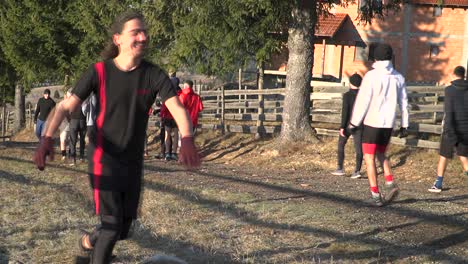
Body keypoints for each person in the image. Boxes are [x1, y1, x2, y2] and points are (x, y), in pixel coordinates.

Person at [33, 10, 200, 264]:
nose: (143, 37)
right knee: (111, 226)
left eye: (145, 32)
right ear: (118, 39)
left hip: (132, 162)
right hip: (103, 157)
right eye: (135, 32)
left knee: (123, 229)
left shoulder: (153, 74)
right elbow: (66, 107)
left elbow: (177, 107)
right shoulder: (99, 72)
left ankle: (89, 243)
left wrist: (186, 139)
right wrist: (47, 138)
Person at [348, 43, 409, 207]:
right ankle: (390, 182)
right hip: (388, 124)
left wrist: (354, 123)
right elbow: (403, 102)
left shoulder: (371, 76)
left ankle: (375, 194)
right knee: (381, 153)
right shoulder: (398, 77)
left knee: (369, 158)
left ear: (375, 58)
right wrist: (405, 124)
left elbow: (363, 101)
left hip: (372, 123)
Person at [428, 66, 468, 192]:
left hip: (451, 127)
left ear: (453, 74)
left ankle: (438, 184)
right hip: (465, 128)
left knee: (444, 156)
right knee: (463, 156)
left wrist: (448, 129)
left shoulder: (449, 90)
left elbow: (449, 111)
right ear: (464, 75)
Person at [331, 73, 363, 179]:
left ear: (350, 83)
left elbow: (345, 112)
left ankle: (340, 168)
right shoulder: (364, 95)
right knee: (359, 149)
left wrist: (342, 126)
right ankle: (357, 170)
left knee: (341, 144)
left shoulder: (347, 95)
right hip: (360, 125)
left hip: (348, 125)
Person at [69, 95, 88, 165]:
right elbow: (86, 111)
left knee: (73, 140)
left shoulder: (72, 100)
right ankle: (81, 157)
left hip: (73, 120)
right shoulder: (85, 99)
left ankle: (73, 159)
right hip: (82, 121)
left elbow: (68, 111)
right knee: (82, 140)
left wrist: (70, 120)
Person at [59, 90, 71, 160]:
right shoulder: (61, 104)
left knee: (70, 141)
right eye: (67, 96)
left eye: (69, 96)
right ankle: (64, 155)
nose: (67, 97)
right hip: (63, 125)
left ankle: (70, 154)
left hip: (71, 125)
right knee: (63, 140)